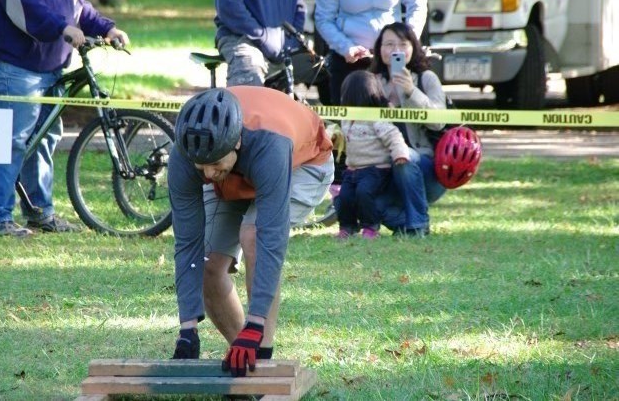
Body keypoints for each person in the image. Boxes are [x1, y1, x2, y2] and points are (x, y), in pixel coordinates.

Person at [0, 0, 129, 237]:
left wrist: (106, 28)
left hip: (53, 68)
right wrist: (62, 28)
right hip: (19, 68)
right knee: (13, 141)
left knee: (44, 140)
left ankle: (40, 212)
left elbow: (78, 5)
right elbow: (25, 6)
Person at [168, 86, 333, 377]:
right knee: (210, 264)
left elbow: (271, 239)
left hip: (303, 164)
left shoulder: (269, 144)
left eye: (214, 164)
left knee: (253, 234)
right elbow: (187, 242)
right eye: (200, 167)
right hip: (237, 175)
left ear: (236, 142)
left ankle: (262, 357)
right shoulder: (188, 150)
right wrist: (187, 328)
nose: (207, 174)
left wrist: (255, 323)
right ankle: (244, 360)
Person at [370, 22, 447, 238]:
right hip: (385, 170)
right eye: (389, 44)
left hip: (424, 168)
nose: (396, 50)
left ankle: (418, 225)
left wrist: (411, 91)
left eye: (402, 44)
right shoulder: (372, 81)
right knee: (369, 203)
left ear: (413, 47)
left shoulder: (426, 78)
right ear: (379, 49)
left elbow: (438, 122)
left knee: (404, 157)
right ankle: (406, 223)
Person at [335, 70, 410, 240]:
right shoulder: (347, 118)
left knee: (364, 193)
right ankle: (347, 227)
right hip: (352, 170)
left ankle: (370, 227)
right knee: (345, 196)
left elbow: (393, 135)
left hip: (374, 169)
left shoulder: (376, 118)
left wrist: (400, 154)